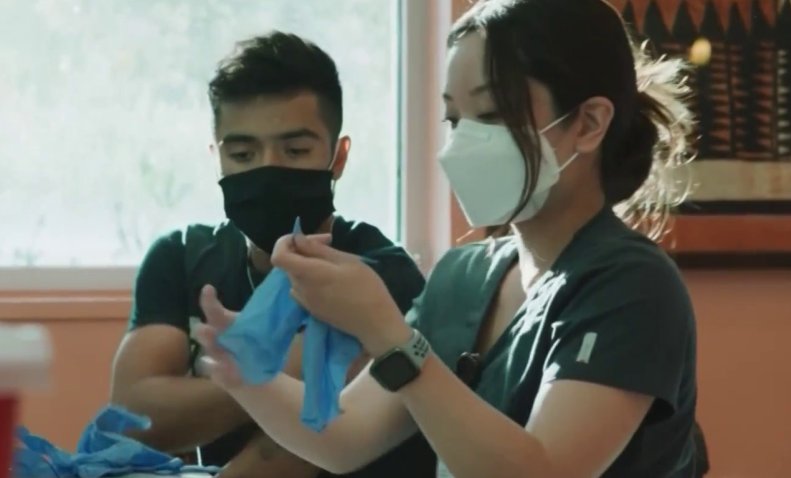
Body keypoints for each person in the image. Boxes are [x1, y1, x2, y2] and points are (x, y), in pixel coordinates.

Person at [197, 1, 699, 477]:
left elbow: (543, 470)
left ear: (588, 124)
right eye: (455, 120)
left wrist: (389, 335)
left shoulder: (630, 286)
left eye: (492, 115)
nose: (463, 144)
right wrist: (247, 374)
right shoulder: (464, 277)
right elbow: (346, 436)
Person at [109, 31, 435, 478]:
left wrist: (215, 379)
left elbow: (295, 449)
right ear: (217, 157)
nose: (268, 169)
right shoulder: (180, 258)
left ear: (338, 158)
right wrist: (279, 372)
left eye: (295, 150)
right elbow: (132, 418)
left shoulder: (379, 276)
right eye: (243, 153)